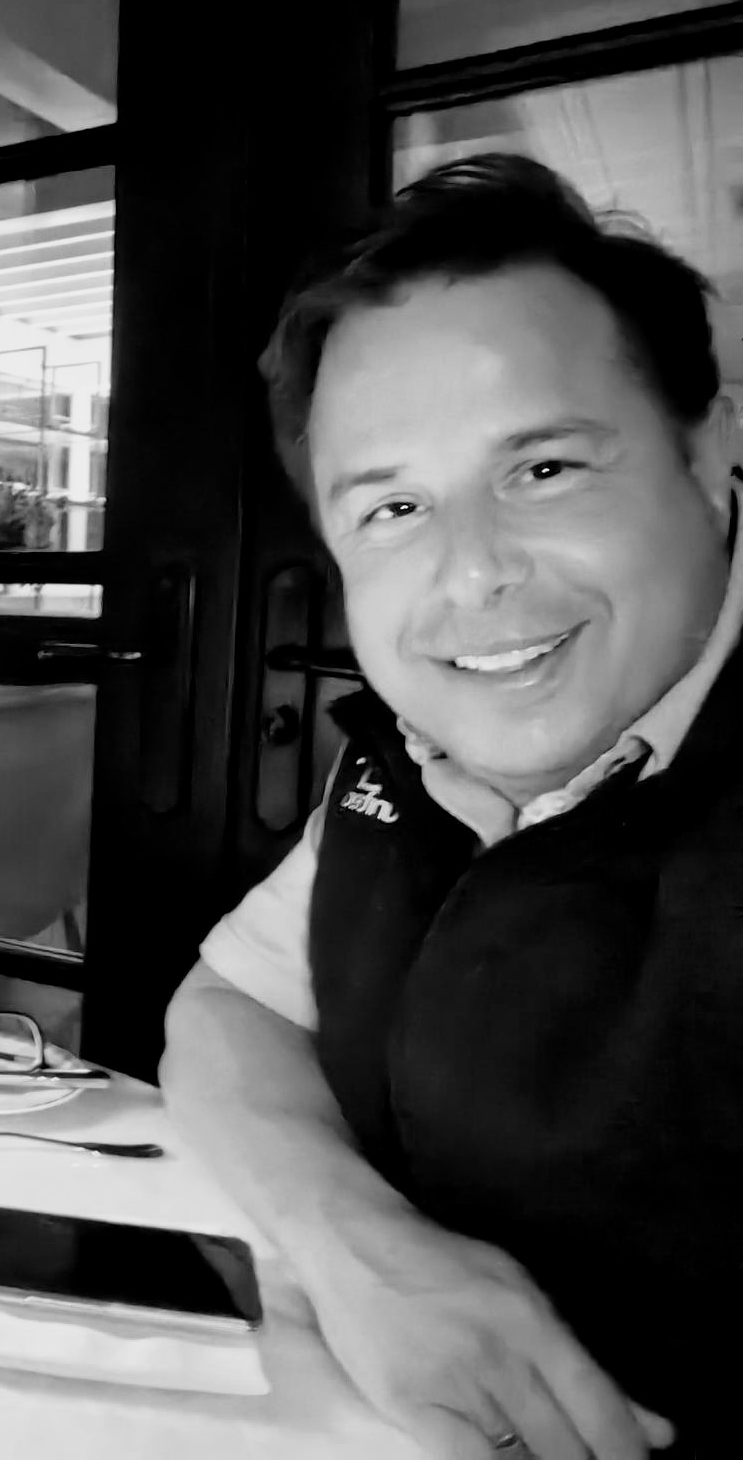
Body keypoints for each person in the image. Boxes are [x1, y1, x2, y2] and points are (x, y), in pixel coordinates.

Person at [160, 153, 743, 1459]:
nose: (470, 573)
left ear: (707, 454)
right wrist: (365, 1252)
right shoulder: (414, 751)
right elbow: (230, 1007)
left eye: (543, 470)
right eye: (394, 507)